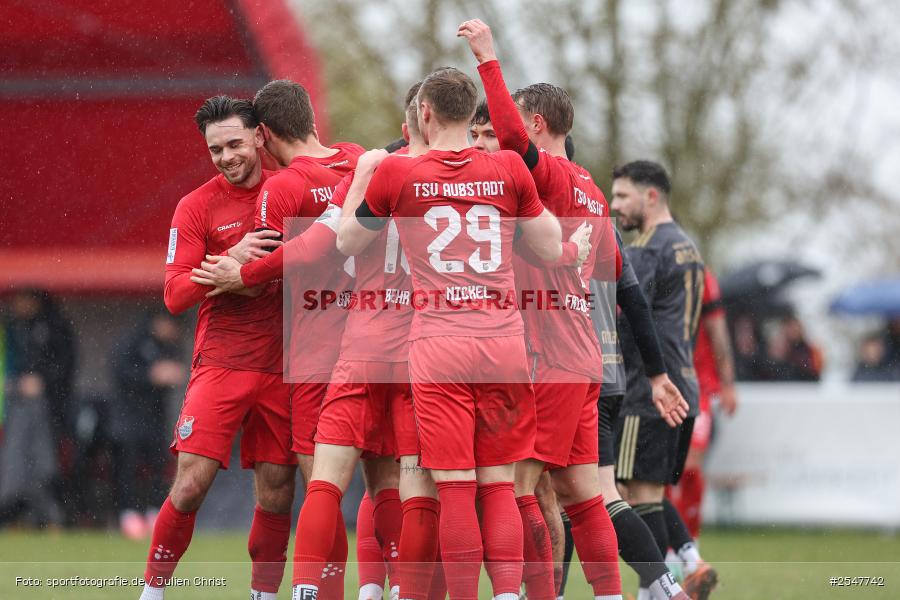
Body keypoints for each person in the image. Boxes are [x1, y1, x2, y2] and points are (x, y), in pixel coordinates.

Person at [461, 20, 686, 600]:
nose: (493, 141)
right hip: (583, 358)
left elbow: (512, 139)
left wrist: (488, 59)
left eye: (499, 131)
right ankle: (629, 593)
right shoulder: (588, 187)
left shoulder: (555, 176)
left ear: (537, 126)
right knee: (585, 496)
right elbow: (620, 283)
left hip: (546, 358)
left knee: (519, 488)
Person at [335, 65, 574, 600]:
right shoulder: (510, 166)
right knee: (500, 486)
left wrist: (359, 187)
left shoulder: (398, 174)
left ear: (423, 114)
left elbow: (349, 242)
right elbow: (548, 246)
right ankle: (509, 594)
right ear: (471, 116)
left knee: (457, 488)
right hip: (503, 343)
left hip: (439, 345)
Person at [190, 79, 364, 600]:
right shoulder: (359, 160)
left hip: (312, 348)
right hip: (374, 340)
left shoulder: (281, 188)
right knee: (390, 487)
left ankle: (317, 593)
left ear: (262, 134)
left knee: (322, 489)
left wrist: (237, 271)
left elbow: (287, 266)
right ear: (311, 116)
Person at [140, 95, 296, 600]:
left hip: (285, 364)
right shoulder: (196, 205)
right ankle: (152, 591)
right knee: (189, 485)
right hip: (222, 363)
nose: (226, 156)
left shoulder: (294, 188)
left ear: (259, 136)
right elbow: (175, 293)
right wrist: (229, 260)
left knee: (276, 493)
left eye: (234, 143)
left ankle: (264, 594)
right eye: (215, 149)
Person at [610, 160, 718, 599]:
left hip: (649, 389)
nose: (615, 206)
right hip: (687, 386)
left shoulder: (648, 248)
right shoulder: (688, 247)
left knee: (628, 493)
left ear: (650, 196)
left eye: (621, 196)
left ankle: (662, 589)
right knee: (646, 491)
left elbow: (631, 318)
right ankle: (687, 563)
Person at [667, 267, 738, 544]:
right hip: (659, 385)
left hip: (698, 388)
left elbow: (718, 330)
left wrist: (728, 382)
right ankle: (672, 554)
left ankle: (689, 543)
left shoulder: (700, 276)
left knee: (690, 465)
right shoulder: (646, 264)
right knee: (656, 474)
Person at [110, 310, 186, 540]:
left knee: (158, 465)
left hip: (156, 417)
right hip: (128, 417)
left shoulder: (170, 347)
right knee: (128, 467)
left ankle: (155, 512)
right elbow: (120, 373)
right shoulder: (133, 341)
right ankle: (128, 514)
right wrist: (149, 375)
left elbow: (176, 373)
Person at [0, 289, 72, 529]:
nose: (16, 305)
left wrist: (42, 382)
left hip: (49, 409)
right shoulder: (13, 329)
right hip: (15, 406)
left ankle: (49, 517)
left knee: (44, 464)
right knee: (16, 465)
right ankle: (17, 515)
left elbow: (65, 365)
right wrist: (17, 384)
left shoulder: (54, 328)